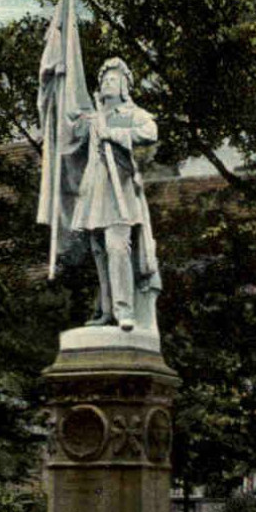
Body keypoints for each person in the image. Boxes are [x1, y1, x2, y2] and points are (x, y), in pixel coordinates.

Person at [69, 58, 161, 332]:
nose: (107, 83)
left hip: (119, 186)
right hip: (94, 187)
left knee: (117, 246)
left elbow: (150, 131)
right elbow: (71, 135)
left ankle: (124, 310)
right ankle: (107, 310)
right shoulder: (94, 116)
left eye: (113, 79)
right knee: (98, 249)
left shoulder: (130, 112)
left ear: (124, 86)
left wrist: (116, 134)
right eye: (105, 79)